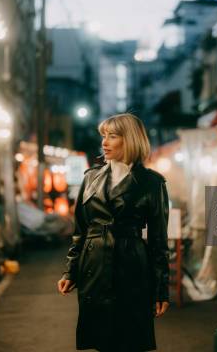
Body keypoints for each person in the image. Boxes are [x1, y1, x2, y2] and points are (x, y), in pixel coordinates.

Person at [57, 113, 170, 351]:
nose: (104, 142)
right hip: (94, 266)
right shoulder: (90, 178)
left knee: (129, 340)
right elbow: (80, 230)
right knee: (100, 339)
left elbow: (159, 240)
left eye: (112, 136)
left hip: (131, 266)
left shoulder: (151, 183)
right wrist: (70, 272)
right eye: (103, 136)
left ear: (129, 140)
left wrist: (161, 288)